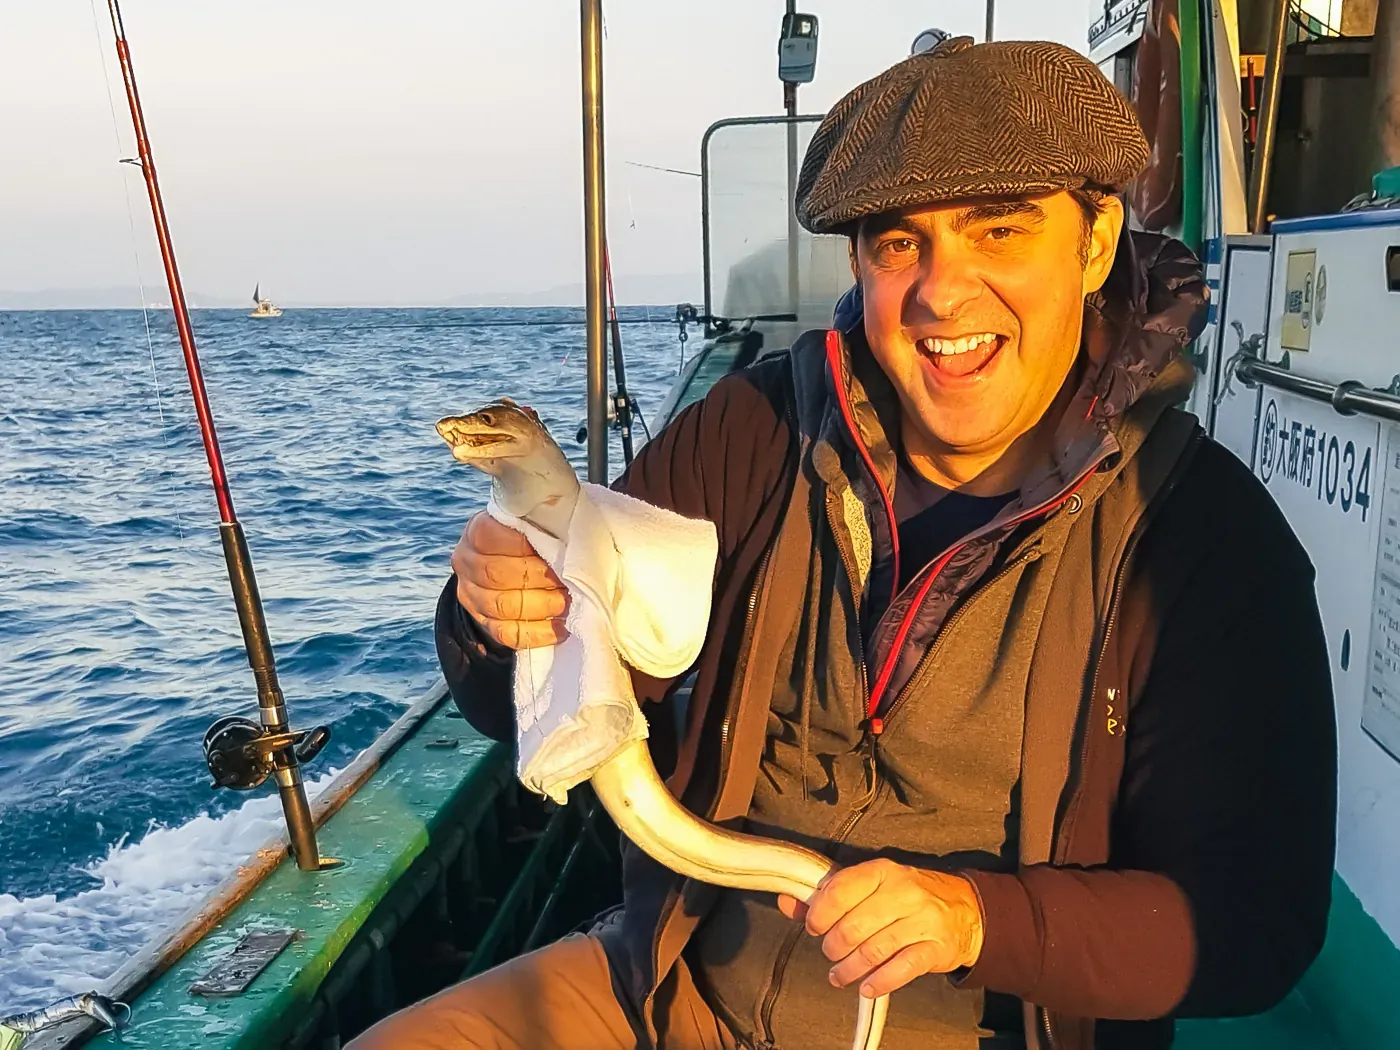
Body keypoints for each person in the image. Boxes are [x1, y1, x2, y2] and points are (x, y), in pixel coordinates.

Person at [351, 36, 1336, 1050]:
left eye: (998, 231)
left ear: (1091, 246)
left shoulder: (1202, 539)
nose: (942, 294)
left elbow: (1250, 928)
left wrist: (973, 919)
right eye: (898, 245)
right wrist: (496, 617)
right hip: (680, 988)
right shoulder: (753, 434)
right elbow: (535, 693)